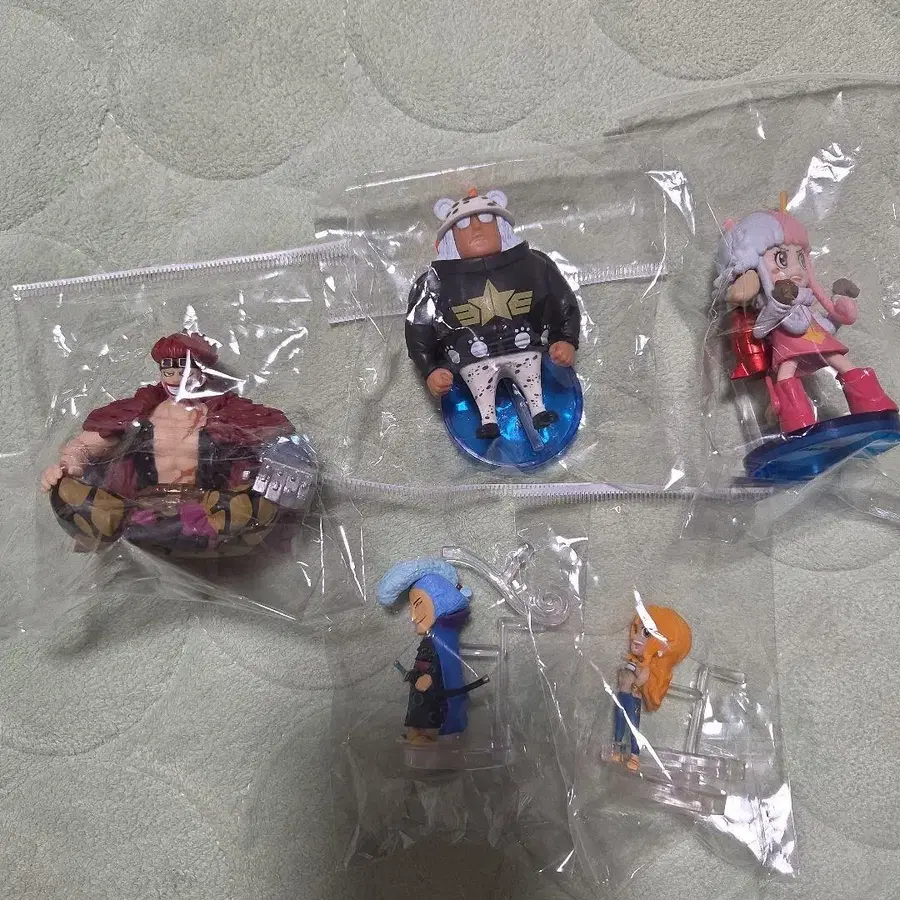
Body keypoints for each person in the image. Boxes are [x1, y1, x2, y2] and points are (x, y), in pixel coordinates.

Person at [40, 332, 297, 555]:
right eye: (168, 372)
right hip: (140, 511)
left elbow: (277, 436)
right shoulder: (139, 411)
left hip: (210, 511)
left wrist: (290, 461)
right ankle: (120, 528)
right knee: (66, 493)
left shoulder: (227, 412)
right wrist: (69, 465)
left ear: (201, 373)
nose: (174, 380)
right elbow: (89, 443)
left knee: (254, 506)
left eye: (183, 372)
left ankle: (207, 535)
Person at [406, 189, 581, 439]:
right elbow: (418, 329)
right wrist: (430, 368)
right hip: (472, 359)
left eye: (486, 219)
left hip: (527, 348)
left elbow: (563, 300)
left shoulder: (534, 265)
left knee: (531, 378)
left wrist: (567, 338)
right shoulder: (433, 284)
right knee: (481, 387)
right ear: (450, 237)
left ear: (501, 226)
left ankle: (539, 409)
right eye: (464, 224)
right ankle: (487, 420)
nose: (477, 229)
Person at [715, 208, 897, 433]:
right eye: (782, 258)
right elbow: (760, 331)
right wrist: (778, 304)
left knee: (841, 362)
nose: (795, 269)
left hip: (816, 340)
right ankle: (796, 421)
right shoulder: (773, 304)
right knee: (786, 374)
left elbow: (824, 326)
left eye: (800, 258)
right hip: (788, 348)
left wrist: (841, 310)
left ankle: (872, 403)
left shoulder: (805, 301)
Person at [377, 558, 477, 743]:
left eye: (418, 605)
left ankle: (428, 735)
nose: (414, 616)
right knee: (420, 716)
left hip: (431, 697)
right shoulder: (435, 638)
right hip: (422, 694)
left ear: (437, 602)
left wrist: (429, 676)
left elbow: (445, 666)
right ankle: (419, 734)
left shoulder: (443, 637)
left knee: (428, 717)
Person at [613, 605, 692, 773]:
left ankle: (634, 756)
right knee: (620, 723)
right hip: (622, 696)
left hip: (632, 698)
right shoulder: (636, 661)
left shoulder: (645, 667)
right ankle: (617, 749)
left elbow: (641, 680)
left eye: (646, 633)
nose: (636, 637)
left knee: (633, 727)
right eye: (636, 630)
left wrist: (635, 682)